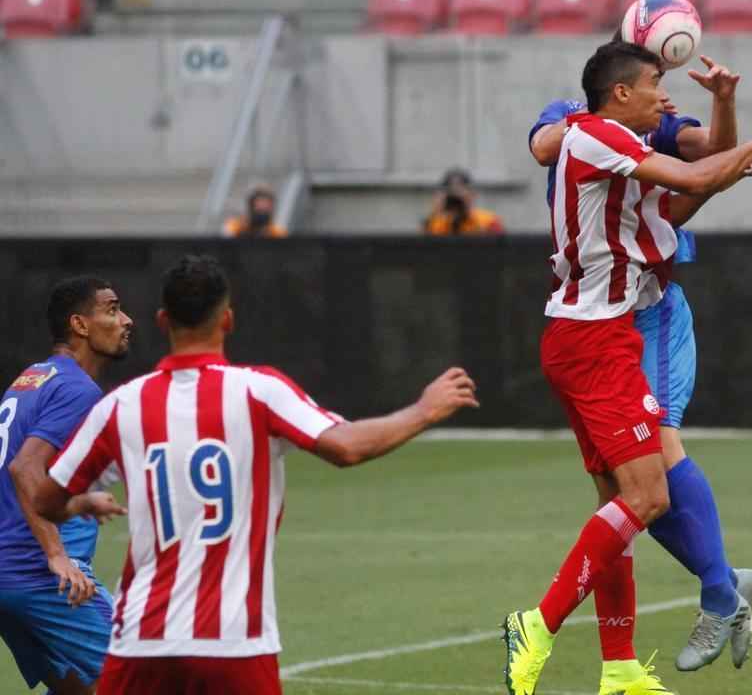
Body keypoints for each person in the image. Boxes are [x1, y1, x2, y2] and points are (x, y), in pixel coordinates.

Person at [502, 41, 752, 695]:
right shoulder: (596, 135)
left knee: (619, 503)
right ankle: (539, 621)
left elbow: (686, 193)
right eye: (655, 83)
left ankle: (619, 666)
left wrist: (729, 157)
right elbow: (695, 178)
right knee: (648, 497)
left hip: (590, 336)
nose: (664, 95)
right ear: (621, 91)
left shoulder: (617, 146)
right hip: (596, 342)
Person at [33, 255, 479, 695]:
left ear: (163, 320)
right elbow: (346, 447)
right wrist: (424, 410)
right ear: (227, 319)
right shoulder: (259, 391)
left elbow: (46, 499)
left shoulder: (120, 405)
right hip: (234, 641)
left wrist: (80, 503)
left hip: (142, 640)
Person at [1, 277, 134, 695]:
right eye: (112, 310)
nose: (126, 320)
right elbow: (24, 468)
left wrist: (80, 502)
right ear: (79, 324)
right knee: (142, 675)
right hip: (39, 576)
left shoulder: (33, 378)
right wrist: (56, 555)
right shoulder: (77, 388)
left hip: (8, 576)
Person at [423, 169, 505, 235]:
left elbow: (501, 248)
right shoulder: (434, 222)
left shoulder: (488, 221)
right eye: (451, 192)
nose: (455, 197)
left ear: (472, 195)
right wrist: (437, 212)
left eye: (460, 190)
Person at [222, 185, 288, 238]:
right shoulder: (235, 226)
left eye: (266, 208)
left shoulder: (277, 233)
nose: (263, 210)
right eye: (259, 208)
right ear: (251, 207)